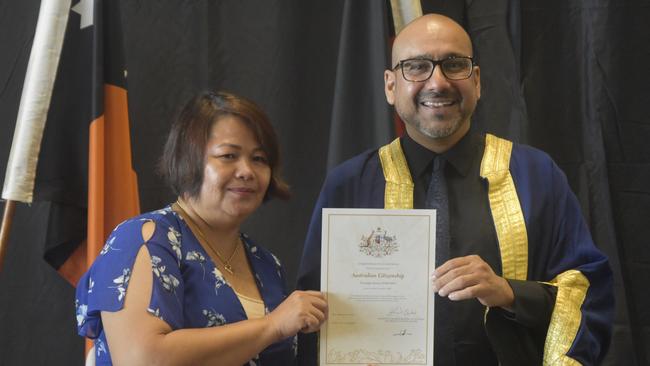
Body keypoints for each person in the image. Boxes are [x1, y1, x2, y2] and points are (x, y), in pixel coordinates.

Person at [296, 14, 613, 366]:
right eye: (416, 67)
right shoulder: (350, 185)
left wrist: (509, 293)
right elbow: (313, 316)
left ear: (476, 81)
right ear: (390, 85)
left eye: (454, 64)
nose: (438, 82)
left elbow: (586, 292)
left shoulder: (535, 176)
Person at [75, 91, 327, 365]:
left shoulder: (267, 264)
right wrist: (273, 326)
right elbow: (142, 358)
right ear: (188, 159)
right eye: (229, 155)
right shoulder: (144, 238)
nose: (247, 171)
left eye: (259, 159)